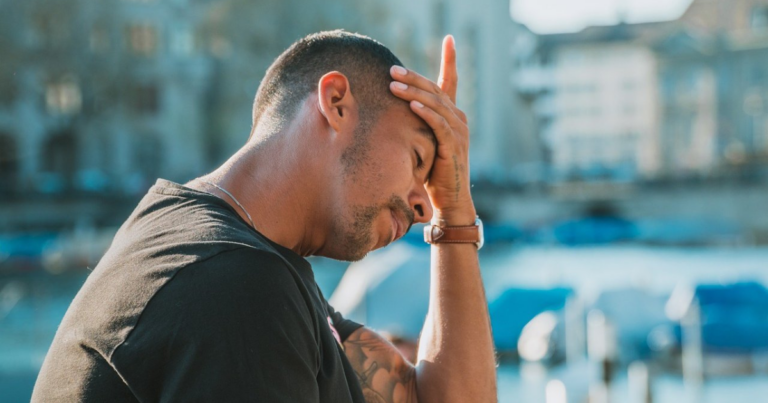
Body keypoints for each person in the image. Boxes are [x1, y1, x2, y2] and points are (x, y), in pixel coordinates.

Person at [32, 30, 497, 403]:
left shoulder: (224, 255)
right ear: (336, 103)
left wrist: (455, 211)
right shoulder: (235, 285)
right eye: (418, 159)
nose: (424, 205)